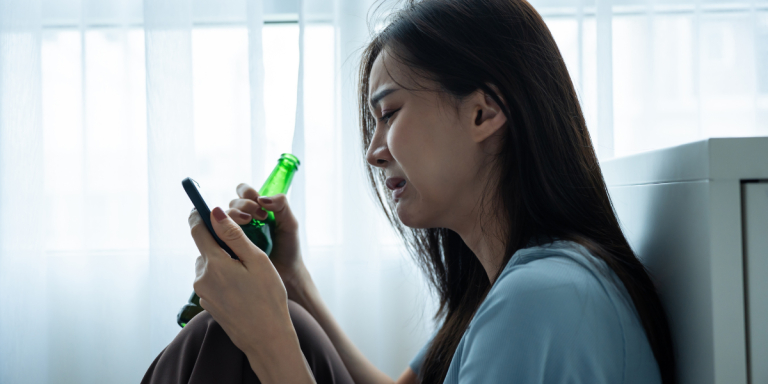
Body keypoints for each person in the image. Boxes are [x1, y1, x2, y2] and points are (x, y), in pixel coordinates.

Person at [142, 0, 677, 382]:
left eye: (390, 113)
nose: (374, 153)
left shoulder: (541, 300)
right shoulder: (512, 289)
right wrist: (292, 282)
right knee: (284, 327)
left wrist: (266, 337)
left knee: (230, 336)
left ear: (483, 112)